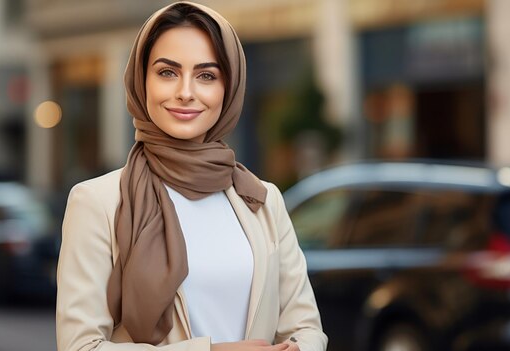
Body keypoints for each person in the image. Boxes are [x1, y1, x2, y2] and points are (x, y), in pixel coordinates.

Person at [56, 2, 328, 351]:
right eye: (167, 72)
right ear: (142, 81)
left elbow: (306, 327)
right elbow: (80, 346)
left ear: (229, 89)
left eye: (206, 75)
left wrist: (299, 348)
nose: (186, 92)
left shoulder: (262, 199)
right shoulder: (98, 202)